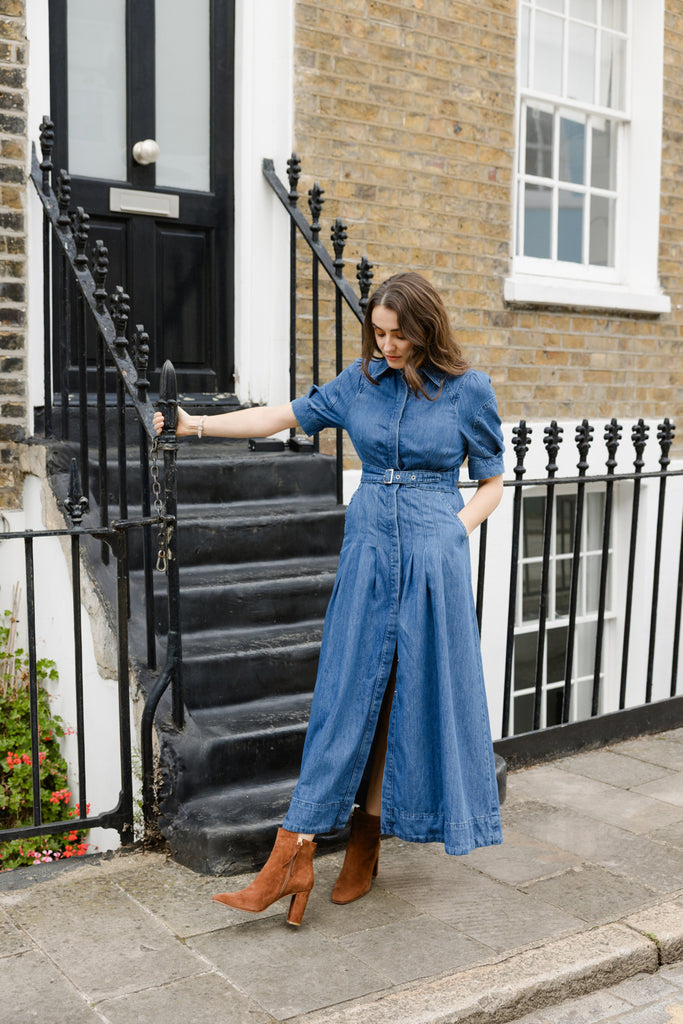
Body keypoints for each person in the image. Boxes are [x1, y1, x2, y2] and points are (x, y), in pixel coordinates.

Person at [153, 271, 505, 927]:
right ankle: (293, 853)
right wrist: (194, 424)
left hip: (434, 559)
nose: (386, 346)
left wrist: (452, 531)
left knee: (403, 697)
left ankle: (363, 845)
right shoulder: (359, 383)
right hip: (367, 550)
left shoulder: (469, 391)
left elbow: (492, 482)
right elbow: (281, 416)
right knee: (347, 692)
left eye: (398, 335)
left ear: (425, 329)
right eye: (378, 333)